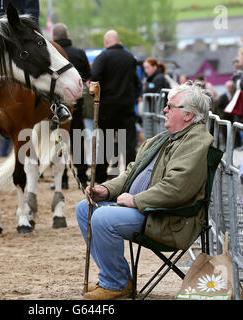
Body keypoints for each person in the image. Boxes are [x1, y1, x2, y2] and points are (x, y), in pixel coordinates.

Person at [76, 81, 213, 300]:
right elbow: (130, 173)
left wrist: (135, 200)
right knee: (85, 208)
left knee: (102, 217)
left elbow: (177, 188)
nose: (165, 110)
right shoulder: (160, 139)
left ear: (188, 115)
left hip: (168, 219)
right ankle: (119, 278)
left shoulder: (197, 141)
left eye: (171, 106)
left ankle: (114, 284)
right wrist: (106, 190)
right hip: (146, 211)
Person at [90, 29, 140, 183]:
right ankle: (132, 177)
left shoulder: (103, 57)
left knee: (105, 144)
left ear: (106, 42)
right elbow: (136, 82)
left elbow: (94, 78)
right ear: (118, 41)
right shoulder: (130, 57)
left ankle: (100, 177)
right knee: (129, 144)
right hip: (127, 106)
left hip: (108, 108)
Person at [52, 22, 91, 189]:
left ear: (54, 37)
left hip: (55, 105)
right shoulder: (79, 53)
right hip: (76, 103)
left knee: (59, 141)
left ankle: (63, 179)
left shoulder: (51, 52)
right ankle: (82, 176)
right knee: (77, 139)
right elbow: (88, 76)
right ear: (67, 36)